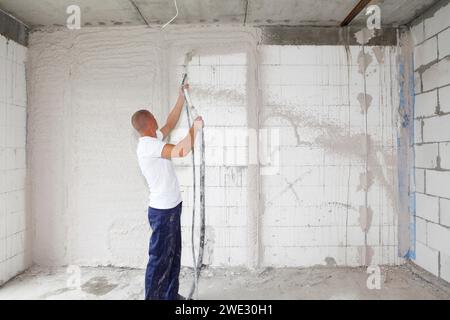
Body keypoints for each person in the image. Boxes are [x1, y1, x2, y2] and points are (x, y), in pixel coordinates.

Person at [131, 84, 203, 300]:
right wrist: (195, 129)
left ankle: (170, 296)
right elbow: (181, 150)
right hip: (162, 213)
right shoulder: (148, 147)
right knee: (159, 259)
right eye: (155, 118)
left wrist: (181, 97)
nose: (158, 121)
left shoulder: (153, 140)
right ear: (150, 122)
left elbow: (170, 123)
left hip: (172, 207)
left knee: (173, 256)